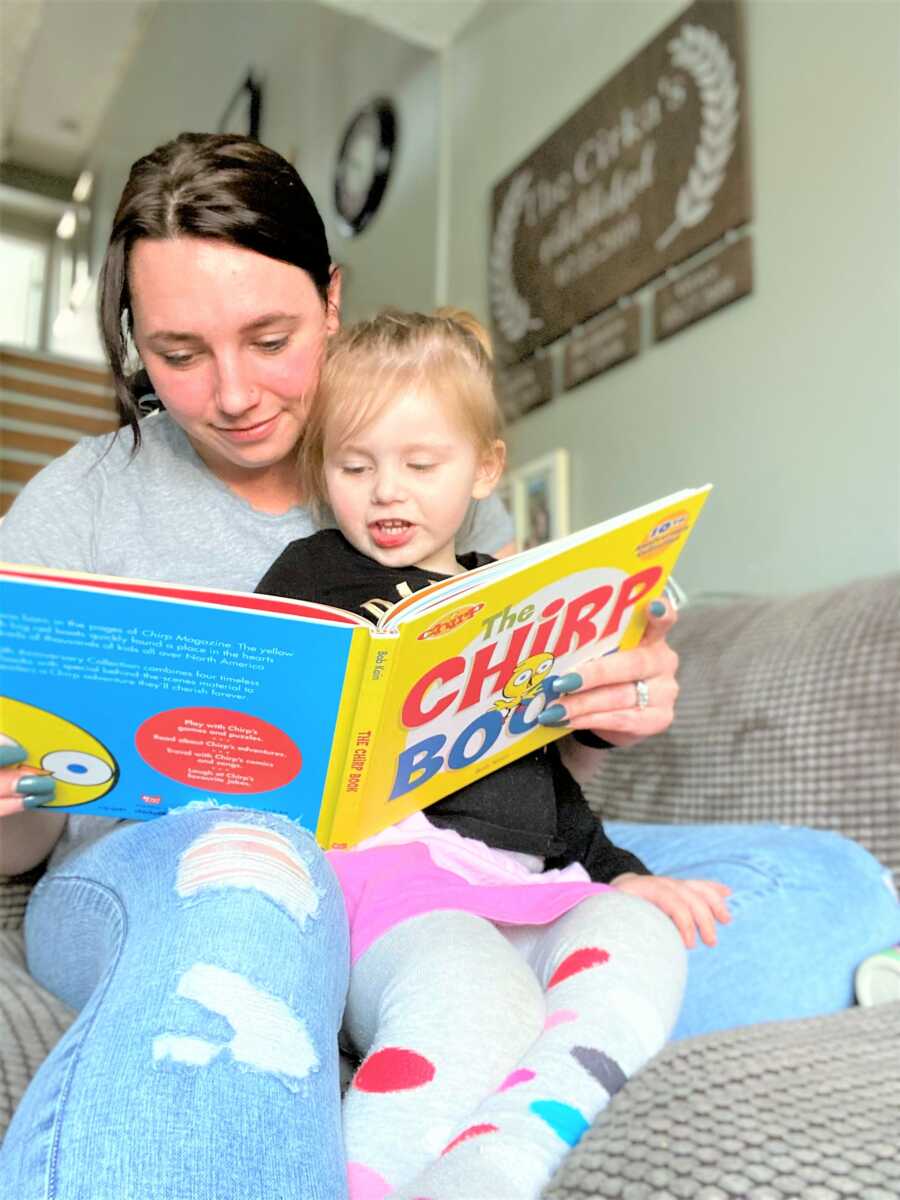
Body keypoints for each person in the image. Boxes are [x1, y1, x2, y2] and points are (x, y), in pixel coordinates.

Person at [0, 133, 683, 1199]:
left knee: (785, 878)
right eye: (179, 354)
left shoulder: (444, 490)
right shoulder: (77, 504)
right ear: (134, 341)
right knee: (254, 870)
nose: (231, 394)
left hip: (439, 877)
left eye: (270, 337)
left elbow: (515, 789)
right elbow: (30, 835)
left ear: (331, 299)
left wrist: (601, 703)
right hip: (150, 873)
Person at [254, 307, 732, 1200]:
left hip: (522, 874)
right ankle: (372, 1182)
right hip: (391, 884)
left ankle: (508, 1152)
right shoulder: (311, 574)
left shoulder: (518, 597)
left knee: (643, 931)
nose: (385, 492)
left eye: (419, 465)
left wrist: (620, 872)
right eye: (354, 466)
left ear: (485, 467)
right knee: (480, 995)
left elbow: (541, 780)